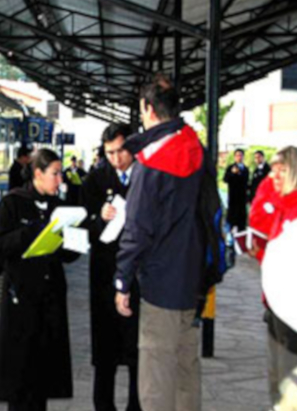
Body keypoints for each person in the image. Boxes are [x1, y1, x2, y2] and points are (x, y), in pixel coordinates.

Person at [114, 74, 205, 411]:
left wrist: (122, 279)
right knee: (186, 371)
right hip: (191, 280)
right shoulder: (197, 151)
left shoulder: (150, 164)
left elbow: (137, 230)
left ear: (149, 110)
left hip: (160, 286)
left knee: (155, 377)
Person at [0, 148, 80, 411]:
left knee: (43, 374)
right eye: (55, 174)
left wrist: (73, 242)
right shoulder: (12, 203)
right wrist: (31, 232)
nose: (60, 180)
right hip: (21, 299)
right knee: (20, 377)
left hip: (50, 299)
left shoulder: (60, 207)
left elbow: (67, 256)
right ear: (38, 174)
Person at [81, 123, 141, 411]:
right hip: (105, 273)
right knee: (105, 347)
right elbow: (82, 226)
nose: (116, 159)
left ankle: (135, 405)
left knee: (137, 349)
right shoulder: (95, 178)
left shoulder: (146, 176)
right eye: (109, 153)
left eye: (120, 151)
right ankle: (103, 405)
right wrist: (99, 218)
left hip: (139, 275)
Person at [253, 147, 297, 405]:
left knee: (291, 382)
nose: (274, 176)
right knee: (279, 377)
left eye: (281, 170)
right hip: (278, 304)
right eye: (272, 170)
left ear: (296, 171)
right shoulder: (285, 204)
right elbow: (257, 219)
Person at [224, 148, 250, 231]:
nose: (239, 157)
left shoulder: (245, 169)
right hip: (233, 196)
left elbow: (246, 181)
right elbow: (225, 179)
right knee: (231, 217)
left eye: (241, 155)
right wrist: (232, 173)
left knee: (241, 219)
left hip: (242, 197)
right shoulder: (230, 168)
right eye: (237, 155)